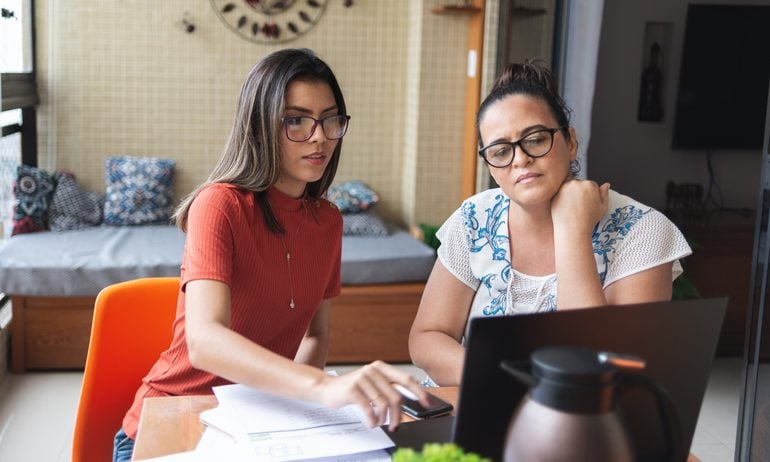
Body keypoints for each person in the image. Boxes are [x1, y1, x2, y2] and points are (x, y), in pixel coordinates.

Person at [113, 48, 428, 461]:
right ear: (260, 126)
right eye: (296, 120)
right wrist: (322, 387)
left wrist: (303, 409)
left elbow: (315, 335)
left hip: (259, 423)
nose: (319, 137)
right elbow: (205, 341)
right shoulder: (219, 204)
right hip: (174, 419)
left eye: (330, 119)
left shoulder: (328, 221)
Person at [409, 59, 692, 387]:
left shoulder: (641, 230)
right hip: (476, 399)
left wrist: (573, 231)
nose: (520, 159)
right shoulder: (474, 218)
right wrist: (502, 379)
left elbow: (598, 373)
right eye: (500, 151)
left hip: (580, 415)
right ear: (490, 166)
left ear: (570, 142)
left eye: (535, 139)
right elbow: (427, 338)